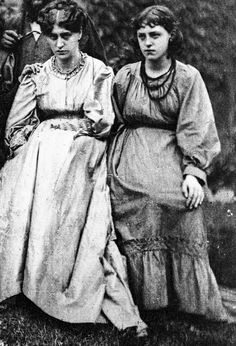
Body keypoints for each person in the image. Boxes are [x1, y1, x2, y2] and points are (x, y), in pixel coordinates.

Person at [0, 0, 147, 336]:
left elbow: (101, 122)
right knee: (24, 188)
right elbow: (16, 125)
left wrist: (71, 135)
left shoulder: (98, 72)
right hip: (40, 156)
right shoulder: (37, 75)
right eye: (52, 36)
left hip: (84, 152)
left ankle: (108, 305)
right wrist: (28, 148)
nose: (59, 43)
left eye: (67, 34)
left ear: (81, 33)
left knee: (88, 217)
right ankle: (28, 282)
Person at [108, 5, 232, 321]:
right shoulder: (126, 77)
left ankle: (183, 302)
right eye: (142, 36)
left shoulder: (188, 78)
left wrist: (194, 172)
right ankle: (141, 301)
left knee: (177, 200)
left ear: (170, 36)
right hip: (130, 159)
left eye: (155, 34)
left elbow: (196, 127)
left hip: (172, 157)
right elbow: (116, 119)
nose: (148, 42)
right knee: (141, 200)